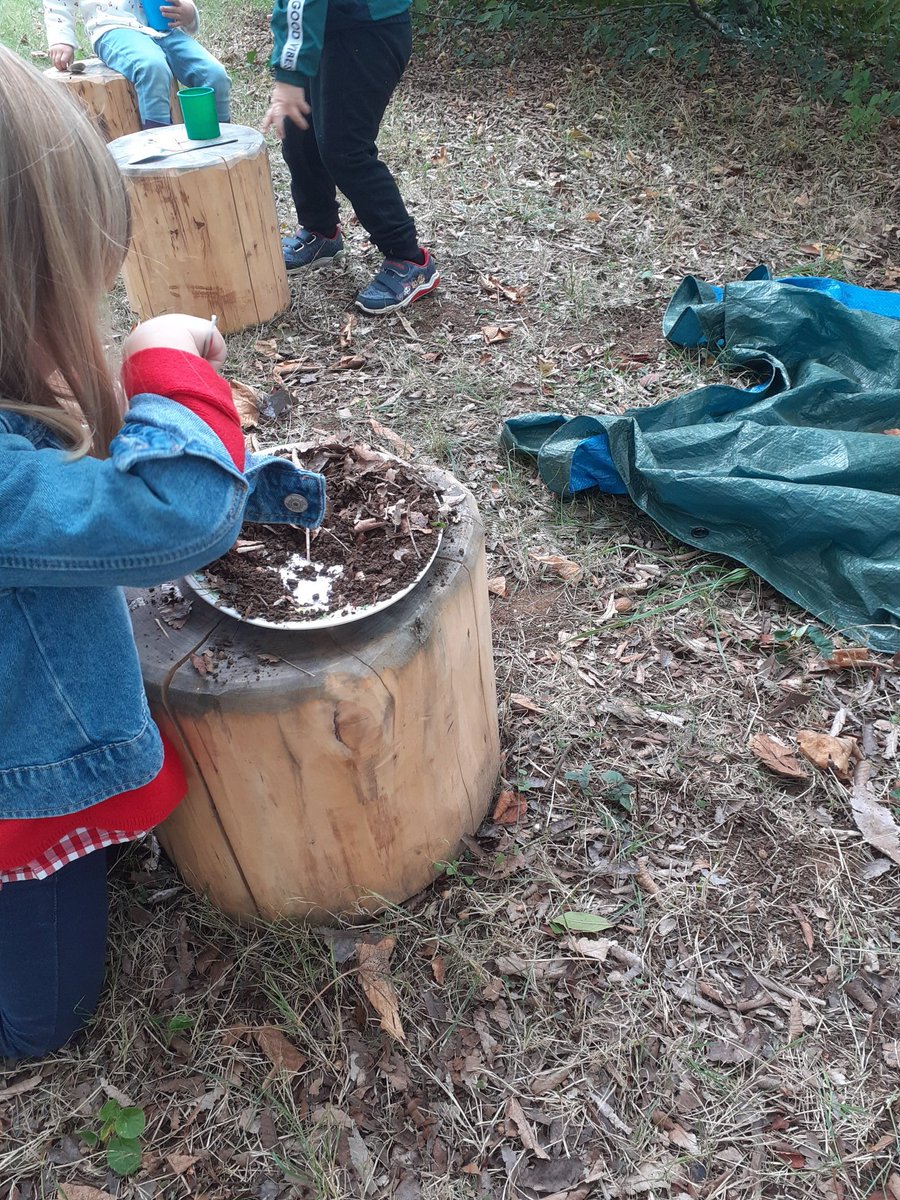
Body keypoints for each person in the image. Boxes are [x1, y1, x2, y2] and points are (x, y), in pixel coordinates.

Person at [0, 46, 324, 1060]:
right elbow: (172, 518)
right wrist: (162, 365)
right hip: (19, 790)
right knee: (41, 1017)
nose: (89, 329)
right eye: (71, 303)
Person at [263, 0, 439, 315]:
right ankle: (321, 232)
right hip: (324, 28)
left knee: (345, 148)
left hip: (367, 28)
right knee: (298, 133)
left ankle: (410, 260)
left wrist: (289, 73)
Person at [43, 0, 230, 130]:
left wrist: (188, 12)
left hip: (164, 28)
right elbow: (57, 3)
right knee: (153, 67)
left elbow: (182, 6)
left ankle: (219, 143)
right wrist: (61, 39)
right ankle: (159, 146)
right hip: (113, 27)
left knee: (214, 74)